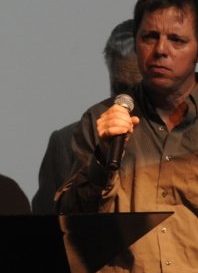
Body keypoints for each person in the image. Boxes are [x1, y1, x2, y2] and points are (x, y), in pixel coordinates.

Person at [56, 0, 198, 273]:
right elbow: (70, 227)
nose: (160, 51)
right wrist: (104, 159)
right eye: (149, 37)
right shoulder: (101, 121)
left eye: (177, 41)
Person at [32, 19, 141, 214]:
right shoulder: (65, 143)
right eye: (120, 89)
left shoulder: (188, 139)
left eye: (140, 89)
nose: (129, 100)